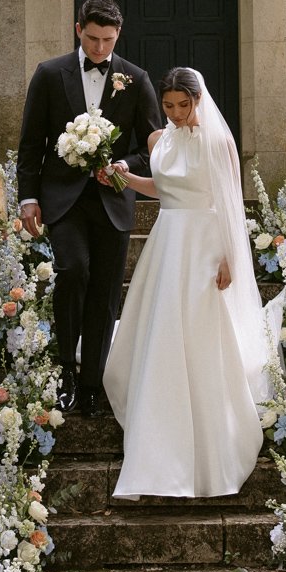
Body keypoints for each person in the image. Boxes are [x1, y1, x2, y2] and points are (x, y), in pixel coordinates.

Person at [102, 67, 272, 499]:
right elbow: (160, 189)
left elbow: (231, 204)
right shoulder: (161, 140)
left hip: (204, 244)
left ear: (199, 100)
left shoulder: (218, 142)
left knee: (198, 337)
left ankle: (209, 444)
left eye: (184, 105)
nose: (176, 114)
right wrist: (120, 177)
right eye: (169, 106)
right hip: (167, 243)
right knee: (160, 334)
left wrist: (230, 257)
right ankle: (157, 439)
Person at [17, 0, 161, 417]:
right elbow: (31, 142)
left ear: (118, 35)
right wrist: (28, 197)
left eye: (109, 40)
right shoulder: (48, 74)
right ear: (78, 29)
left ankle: (93, 382)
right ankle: (65, 369)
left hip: (113, 200)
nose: (100, 48)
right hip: (62, 199)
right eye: (94, 38)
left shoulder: (135, 79)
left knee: (105, 290)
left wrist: (124, 165)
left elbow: (154, 149)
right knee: (73, 270)